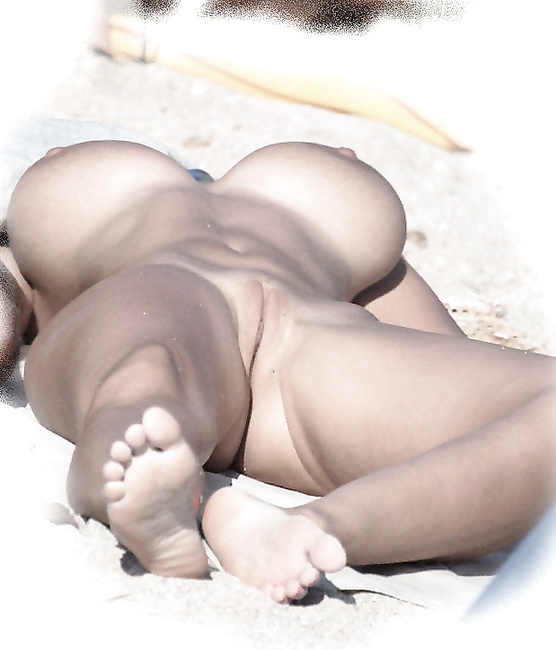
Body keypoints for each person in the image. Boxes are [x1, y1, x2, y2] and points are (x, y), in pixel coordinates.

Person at [1, 140, 555, 604]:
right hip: (164, 291)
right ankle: (135, 473)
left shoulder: (85, 161)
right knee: (146, 371)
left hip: (312, 330)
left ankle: (312, 528)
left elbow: (450, 368)